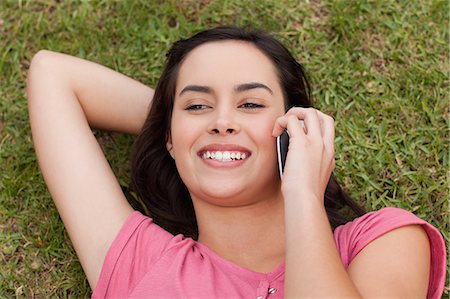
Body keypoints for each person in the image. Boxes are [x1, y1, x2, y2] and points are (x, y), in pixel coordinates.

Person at [26, 26, 445, 298]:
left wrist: (301, 193)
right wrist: (177, 129)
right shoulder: (139, 262)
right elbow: (52, 74)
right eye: (197, 105)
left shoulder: (381, 242)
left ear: (292, 126)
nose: (222, 121)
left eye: (249, 104)